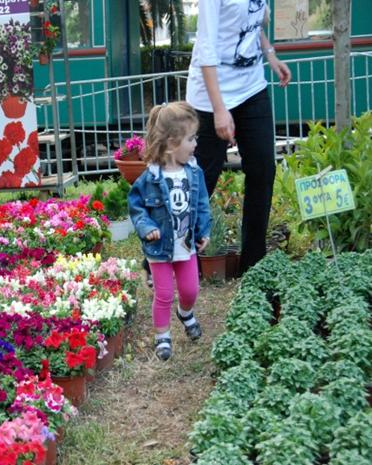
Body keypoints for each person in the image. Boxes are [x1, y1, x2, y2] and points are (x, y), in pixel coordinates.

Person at [186, 0, 291, 273]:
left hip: (251, 87)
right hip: (211, 96)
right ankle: (175, 255)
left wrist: (270, 55)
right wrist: (220, 110)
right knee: (202, 178)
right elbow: (206, 47)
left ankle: (253, 263)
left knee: (263, 170)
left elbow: (253, 23)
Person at [128, 102, 211, 361]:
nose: (195, 143)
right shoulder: (150, 178)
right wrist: (147, 227)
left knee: (190, 291)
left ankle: (185, 313)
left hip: (185, 245)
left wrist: (203, 232)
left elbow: (201, 205)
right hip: (159, 248)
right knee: (163, 294)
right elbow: (137, 207)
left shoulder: (194, 173)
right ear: (173, 143)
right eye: (190, 138)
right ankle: (162, 336)